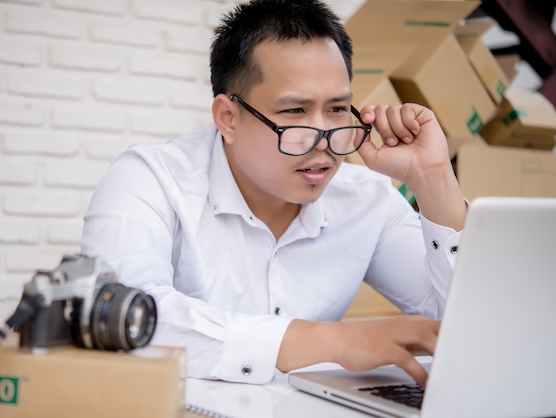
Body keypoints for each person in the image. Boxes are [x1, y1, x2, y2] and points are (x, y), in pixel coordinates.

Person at [81, 0, 467, 387]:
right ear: (228, 118)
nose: (323, 142)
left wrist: (433, 179)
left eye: (337, 109)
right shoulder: (150, 179)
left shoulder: (368, 199)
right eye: (295, 112)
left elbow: (468, 323)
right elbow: (118, 317)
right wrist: (334, 341)